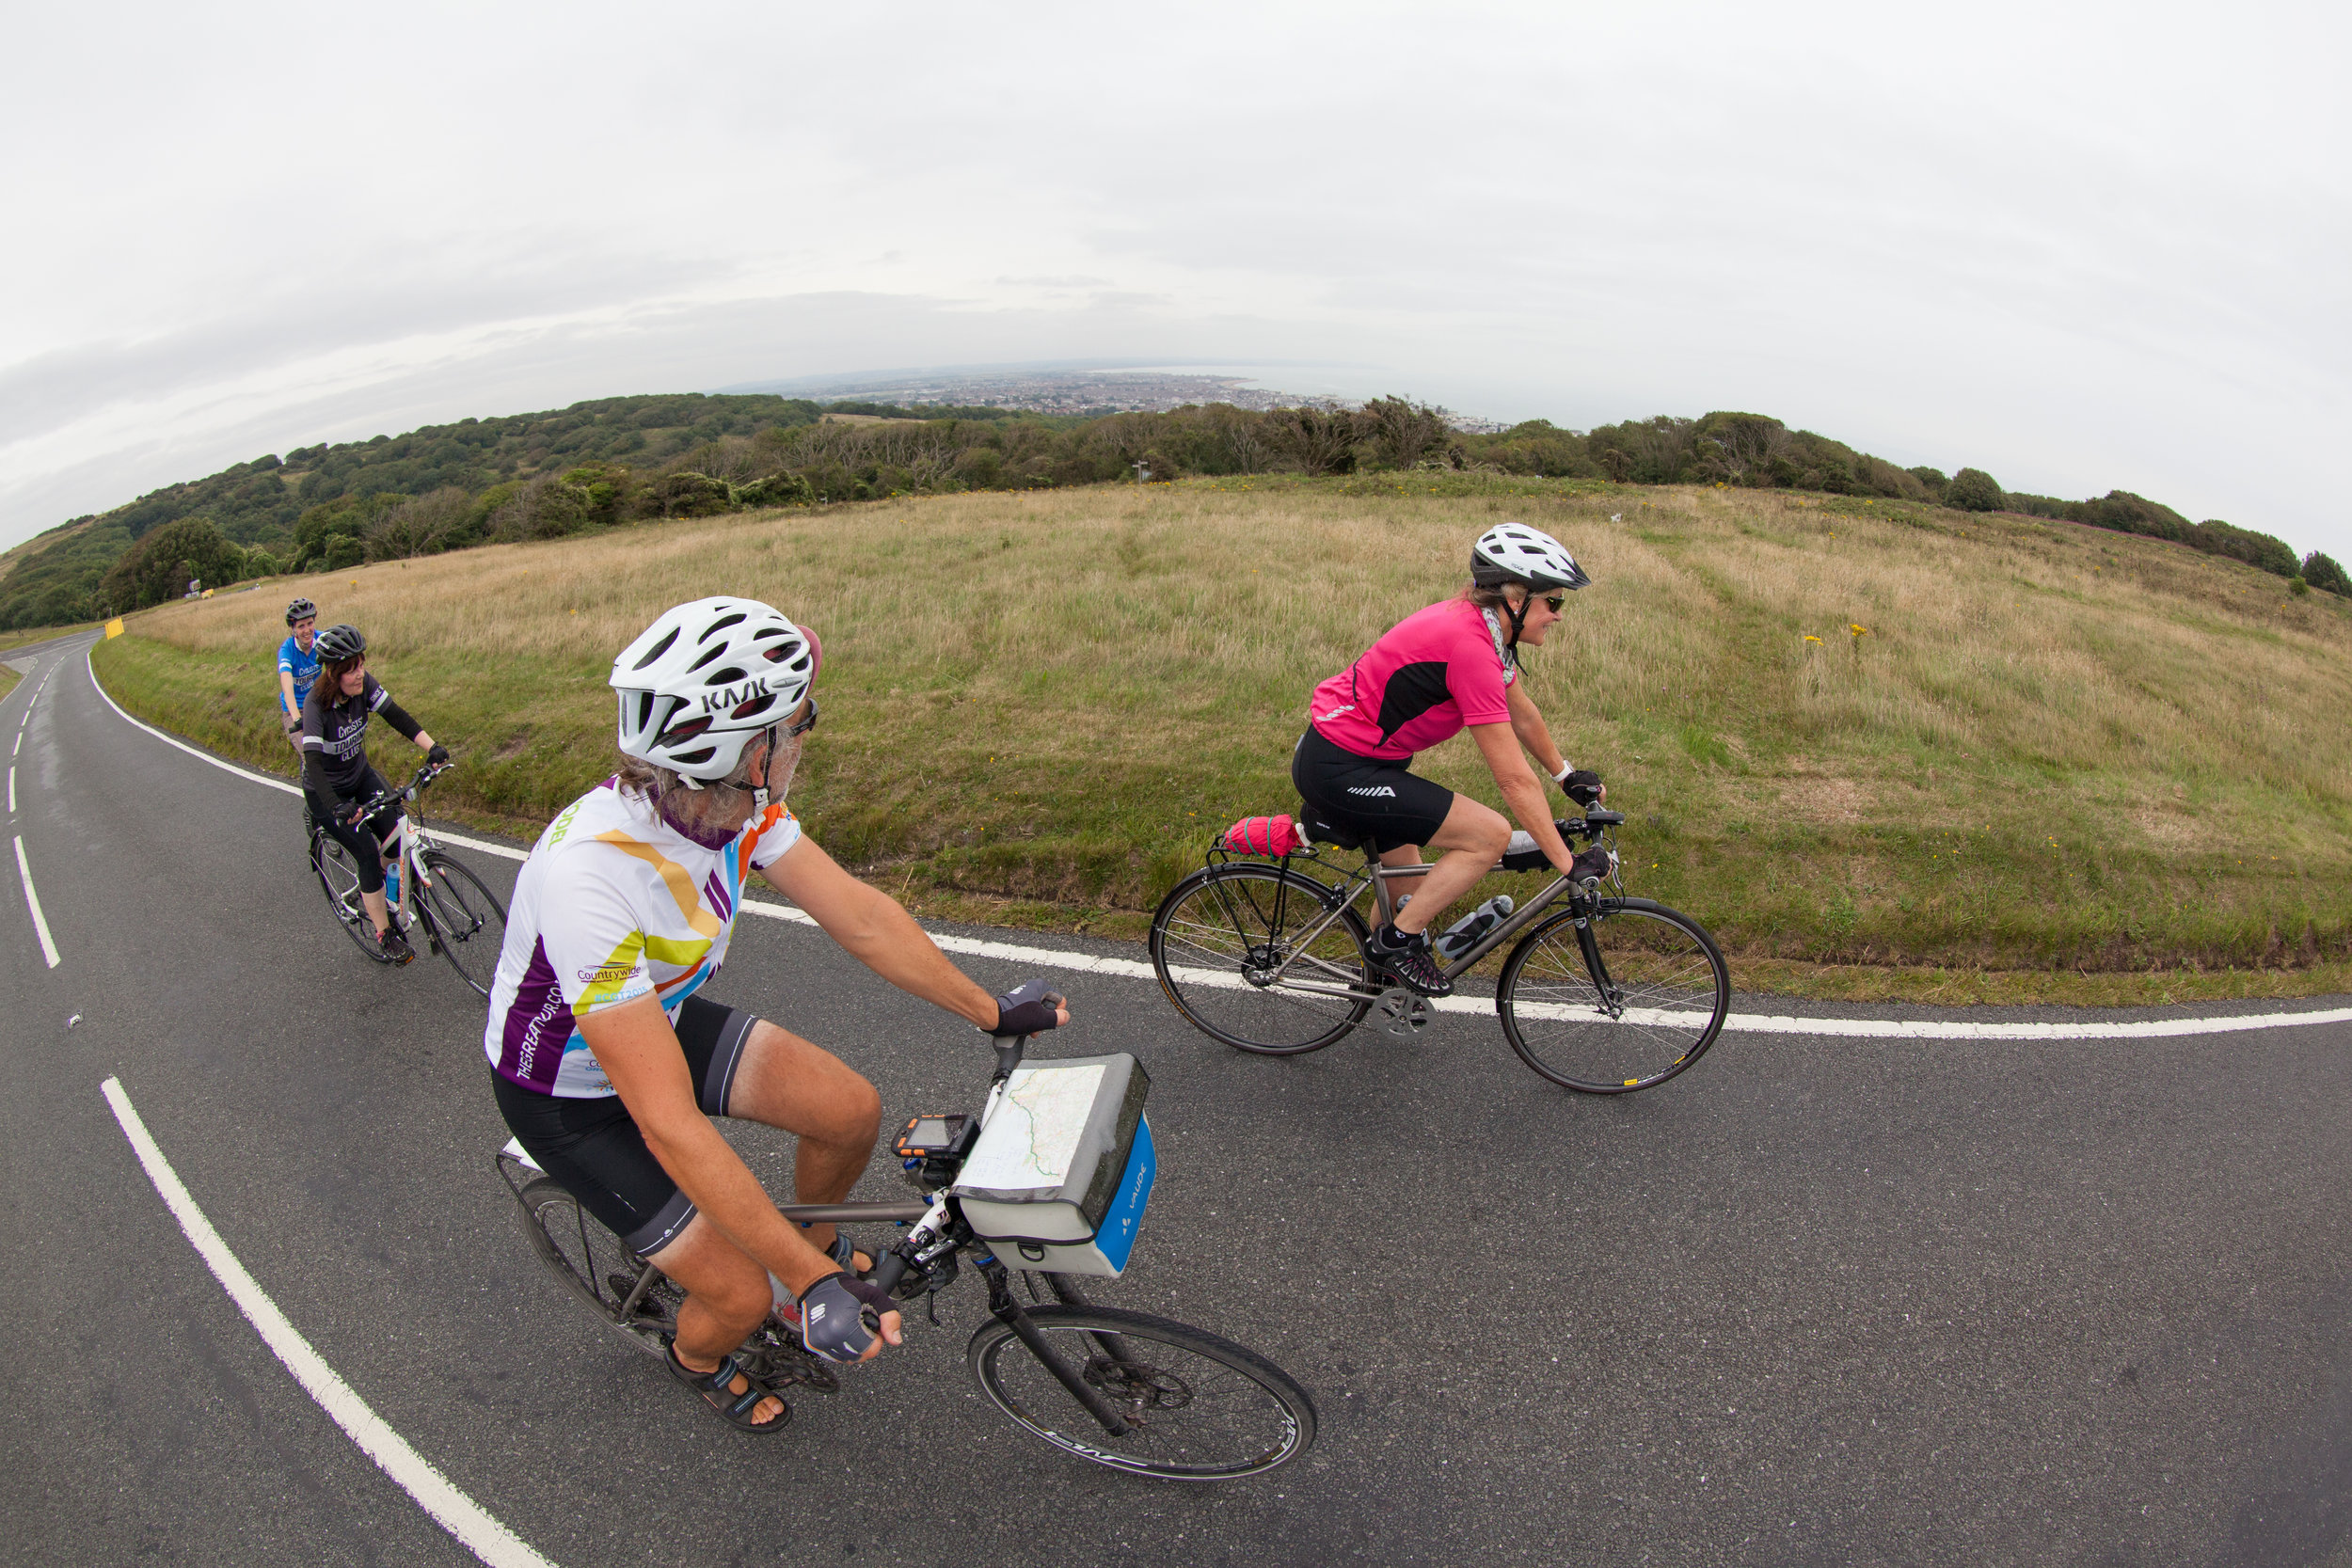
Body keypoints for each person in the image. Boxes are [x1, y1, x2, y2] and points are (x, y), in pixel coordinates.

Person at [483, 595, 1072, 1434]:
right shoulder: (592, 879)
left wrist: (989, 1009)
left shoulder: (730, 804)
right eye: (800, 722)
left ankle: (815, 1254)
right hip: (567, 1098)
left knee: (849, 1110)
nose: (806, 736)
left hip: (654, 1020)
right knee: (737, 1291)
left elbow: (859, 917)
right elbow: (672, 1126)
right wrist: (804, 1283)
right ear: (748, 750)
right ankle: (699, 1359)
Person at [1294, 523, 1612, 999]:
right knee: (1488, 834)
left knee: (1410, 889)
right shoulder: (1469, 647)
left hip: (1366, 761)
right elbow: (1512, 779)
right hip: (1340, 769)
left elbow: (1522, 715)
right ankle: (1395, 945)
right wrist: (1567, 865)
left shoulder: (1484, 629)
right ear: (1517, 599)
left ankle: (1381, 991)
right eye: (1554, 602)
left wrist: (1565, 775)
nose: (1558, 615)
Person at [300, 625, 448, 963]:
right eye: (350, 669)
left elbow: (396, 716)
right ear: (333, 673)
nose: (359, 674)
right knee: (366, 851)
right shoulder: (315, 706)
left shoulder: (364, 685)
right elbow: (314, 765)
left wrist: (432, 747)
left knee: (396, 834)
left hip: (360, 776)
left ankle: (378, 886)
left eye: (361, 664)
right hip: (327, 794)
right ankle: (384, 933)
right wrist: (337, 805)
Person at [277, 598, 320, 759]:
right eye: (301, 626)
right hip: (295, 710)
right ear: (293, 629)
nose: (307, 630)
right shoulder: (287, 651)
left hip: (317, 704)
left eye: (310, 623)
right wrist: (297, 719)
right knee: (310, 754)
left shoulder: (321, 640)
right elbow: (287, 689)